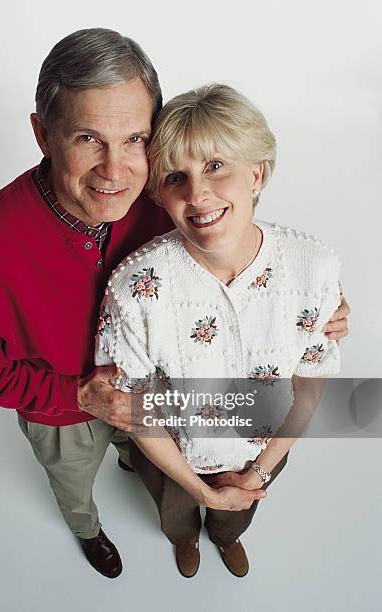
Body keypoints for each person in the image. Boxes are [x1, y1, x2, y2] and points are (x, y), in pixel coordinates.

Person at [0, 29, 350, 579]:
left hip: (163, 395)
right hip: (62, 410)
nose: (115, 170)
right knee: (75, 483)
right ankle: (87, 531)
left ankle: (140, 469)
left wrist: (314, 306)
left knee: (151, 460)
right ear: (42, 133)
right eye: (87, 138)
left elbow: (231, 245)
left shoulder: (163, 195)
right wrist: (77, 394)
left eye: (134, 139)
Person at [95, 83, 343, 578]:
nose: (197, 194)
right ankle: (184, 539)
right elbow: (138, 410)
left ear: (256, 173)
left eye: (214, 166)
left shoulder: (314, 266)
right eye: (174, 177)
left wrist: (257, 473)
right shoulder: (136, 285)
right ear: (159, 196)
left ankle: (225, 538)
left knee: (237, 516)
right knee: (175, 517)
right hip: (172, 452)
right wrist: (202, 490)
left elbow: (309, 388)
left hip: (262, 449)